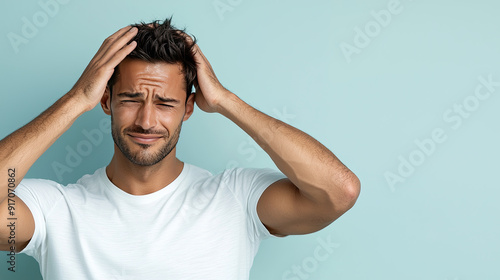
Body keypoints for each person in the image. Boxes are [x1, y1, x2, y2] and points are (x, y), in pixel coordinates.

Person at [0, 17, 360, 279]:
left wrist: (225, 100)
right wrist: (76, 100)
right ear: (106, 101)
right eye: (130, 99)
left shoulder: (235, 199)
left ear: (188, 108)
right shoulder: (54, 211)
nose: (146, 120)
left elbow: (338, 191)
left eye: (166, 104)